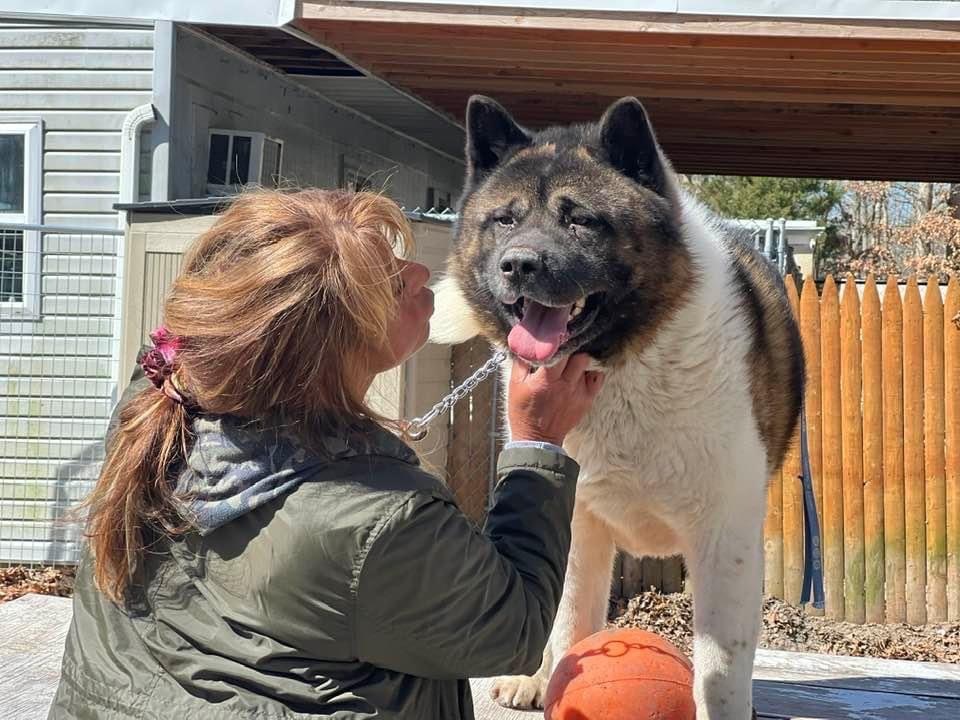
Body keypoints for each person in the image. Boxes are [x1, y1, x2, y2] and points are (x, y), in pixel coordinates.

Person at [48, 189, 604, 719]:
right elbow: (512, 631)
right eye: (390, 284)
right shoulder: (373, 522)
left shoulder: (158, 398)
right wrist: (537, 442)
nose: (417, 274)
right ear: (330, 350)